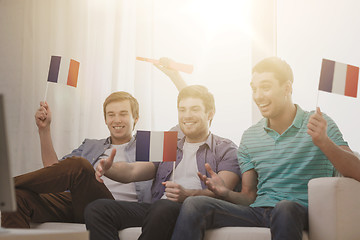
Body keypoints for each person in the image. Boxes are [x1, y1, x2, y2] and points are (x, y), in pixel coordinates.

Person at [170, 57, 360, 240]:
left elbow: (357, 171)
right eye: (254, 89)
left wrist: (324, 142)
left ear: (287, 88)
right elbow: (248, 196)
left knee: (284, 208)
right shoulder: (250, 136)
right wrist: (225, 193)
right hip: (259, 211)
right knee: (195, 204)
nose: (258, 96)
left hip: (299, 211)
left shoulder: (319, 123)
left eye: (266, 87)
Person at [84, 85, 241, 240]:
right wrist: (109, 169)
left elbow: (223, 191)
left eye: (194, 109)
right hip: (157, 208)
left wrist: (187, 195)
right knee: (97, 208)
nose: (187, 115)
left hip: (192, 210)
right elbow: (132, 171)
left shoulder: (226, 148)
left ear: (210, 114)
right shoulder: (169, 142)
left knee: (163, 207)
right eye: (182, 110)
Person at [1, 91, 153, 228]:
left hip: (118, 210)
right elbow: (55, 171)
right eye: (111, 115)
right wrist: (44, 130)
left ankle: (5, 186)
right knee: (16, 198)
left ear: (136, 118)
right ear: (105, 119)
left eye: (123, 114)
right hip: (78, 203)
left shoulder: (147, 146)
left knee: (80, 166)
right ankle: (7, 190)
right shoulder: (91, 145)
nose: (117, 120)